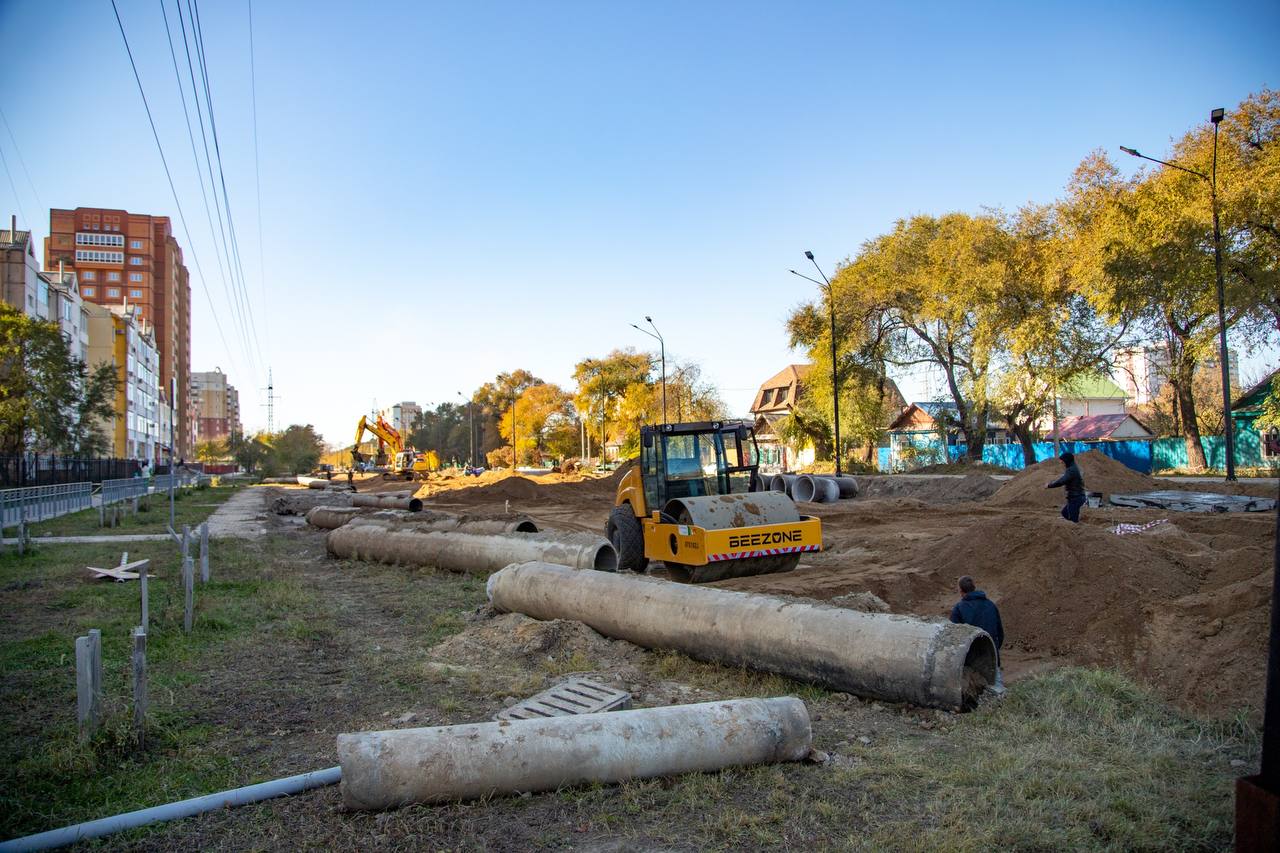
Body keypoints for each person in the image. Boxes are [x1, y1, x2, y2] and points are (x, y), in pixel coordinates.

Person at [950, 575, 1005, 691]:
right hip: (992, 658)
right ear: (974, 588)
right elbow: (1000, 633)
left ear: (961, 591)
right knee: (999, 694)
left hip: (970, 662)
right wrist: (992, 649)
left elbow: (953, 638)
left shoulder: (959, 608)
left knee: (972, 696)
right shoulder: (991, 605)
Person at [1046, 451, 1086, 523]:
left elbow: (1062, 481)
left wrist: (1049, 485)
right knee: (1065, 513)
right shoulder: (1072, 468)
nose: (1062, 463)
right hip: (1075, 497)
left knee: (1073, 519)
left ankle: (1076, 531)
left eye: (1063, 461)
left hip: (1076, 497)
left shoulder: (1071, 470)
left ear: (1067, 461)